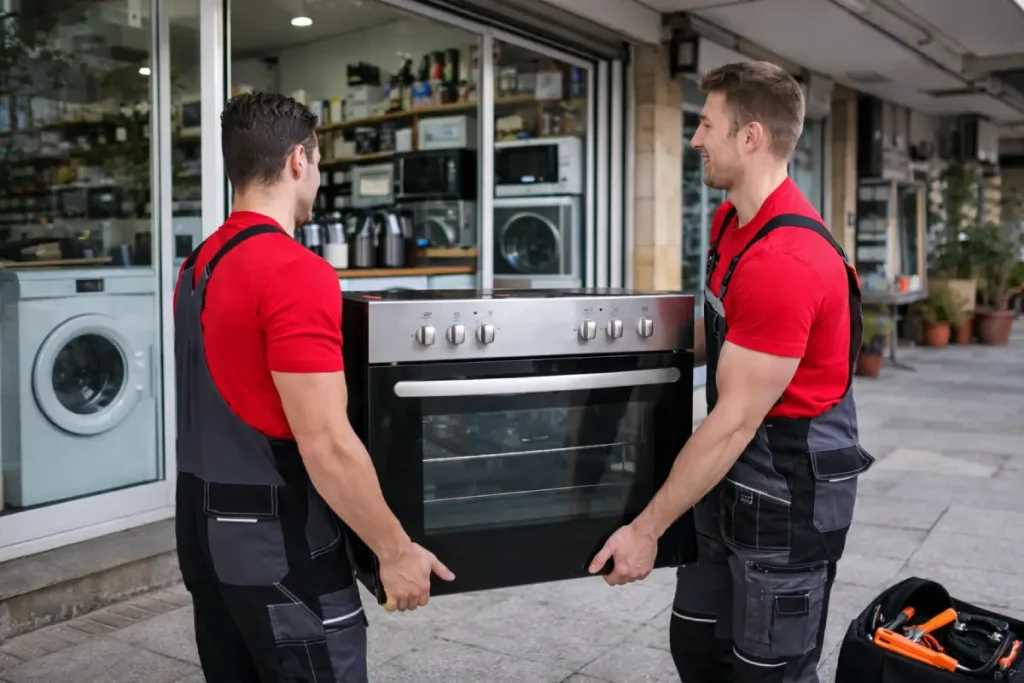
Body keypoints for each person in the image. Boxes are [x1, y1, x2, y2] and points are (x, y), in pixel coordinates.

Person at [589, 61, 874, 683]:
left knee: (766, 671)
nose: (695, 139)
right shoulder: (732, 224)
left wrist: (646, 531)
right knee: (698, 647)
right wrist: (628, 355)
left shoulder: (787, 260)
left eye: (706, 124)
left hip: (788, 496)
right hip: (729, 478)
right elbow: (726, 334)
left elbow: (732, 422)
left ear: (750, 136)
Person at [173, 91, 454, 683]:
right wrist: (395, 551)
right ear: (298, 159)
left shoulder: (196, 265)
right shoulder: (294, 271)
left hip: (203, 535)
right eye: (319, 162)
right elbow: (326, 442)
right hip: (278, 546)